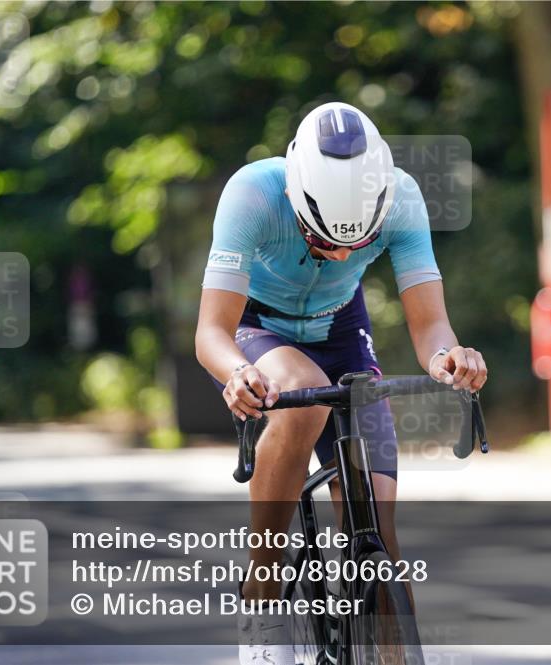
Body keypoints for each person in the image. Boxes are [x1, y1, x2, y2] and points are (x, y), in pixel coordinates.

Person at [194, 102, 488, 664]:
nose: (344, 255)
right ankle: (263, 586)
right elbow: (211, 330)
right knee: (302, 396)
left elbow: (430, 327)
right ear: (297, 205)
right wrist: (237, 374)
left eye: (358, 242)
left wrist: (450, 360)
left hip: (341, 330)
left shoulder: (400, 195)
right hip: (257, 329)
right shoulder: (253, 192)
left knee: (377, 518)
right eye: (324, 241)